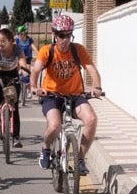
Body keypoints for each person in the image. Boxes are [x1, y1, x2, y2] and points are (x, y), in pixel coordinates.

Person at [30, 13, 101, 175]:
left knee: (91, 119)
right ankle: (46, 148)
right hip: (51, 95)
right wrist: (34, 87)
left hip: (75, 95)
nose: (65, 39)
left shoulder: (78, 50)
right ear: (55, 35)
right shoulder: (46, 51)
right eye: (61, 35)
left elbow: (91, 68)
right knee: (54, 125)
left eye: (68, 35)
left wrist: (97, 87)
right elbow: (35, 70)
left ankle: (80, 159)